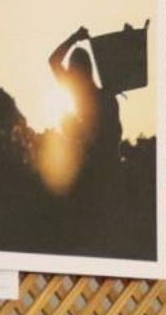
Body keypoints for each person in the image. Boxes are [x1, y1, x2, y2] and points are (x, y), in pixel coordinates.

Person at [48, 26, 123, 191]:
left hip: (96, 166)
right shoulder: (105, 96)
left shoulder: (79, 90)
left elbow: (53, 61)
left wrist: (74, 38)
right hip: (107, 165)